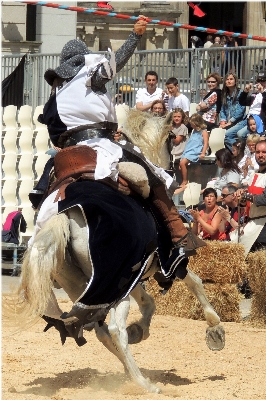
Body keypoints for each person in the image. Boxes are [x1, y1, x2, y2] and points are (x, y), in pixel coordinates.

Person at [33, 17, 206, 288]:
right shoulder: (88, 75)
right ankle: (177, 232)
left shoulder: (55, 95)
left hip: (66, 153)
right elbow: (117, 62)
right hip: (99, 145)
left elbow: (53, 132)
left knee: (44, 187)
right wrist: (135, 36)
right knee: (151, 172)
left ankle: (39, 231)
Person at [237, 71, 266, 140]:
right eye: (258, 81)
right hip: (249, 119)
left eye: (263, 81)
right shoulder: (255, 94)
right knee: (229, 134)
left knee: (240, 134)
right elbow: (242, 102)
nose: (260, 83)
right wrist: (245, 92)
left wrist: (263, 92)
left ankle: (248, 148)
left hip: (261, 121)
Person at [179, 113, 209, 186]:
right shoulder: (194, 131)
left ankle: (185, 181)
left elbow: (206, 143)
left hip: (196, 151)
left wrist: (203, 153)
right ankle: (187, 179)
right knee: (181, 167)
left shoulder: (203, 132)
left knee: (182, 163)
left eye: (192, 124)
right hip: (189, 150)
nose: (191, 126)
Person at [219, 73, 246, 149]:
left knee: (227, 135)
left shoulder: (240, 93)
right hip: (228, 122)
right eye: (227, 79)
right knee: (217, 133)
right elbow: (223, 110)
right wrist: (223, 121)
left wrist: (230, 122)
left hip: (240, 121)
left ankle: (239, 153)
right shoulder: (224, 94)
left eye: (231, 79)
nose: (229, 81)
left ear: (235, 81)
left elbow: (241, 110)